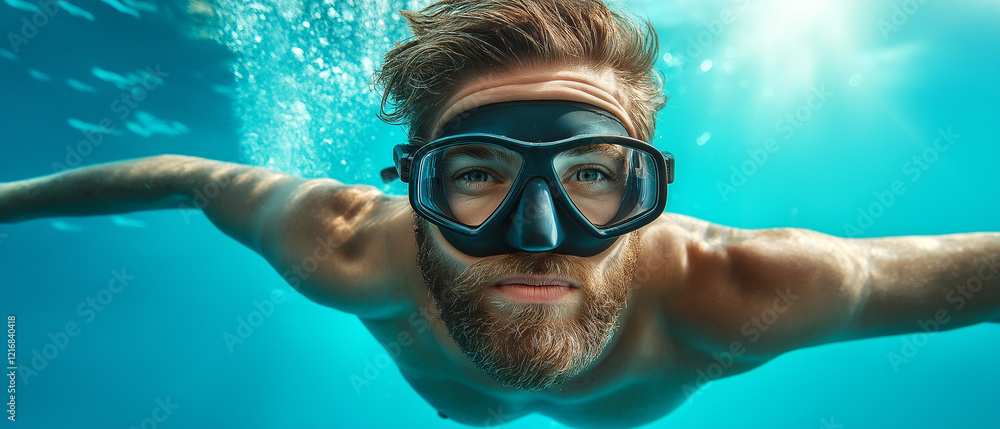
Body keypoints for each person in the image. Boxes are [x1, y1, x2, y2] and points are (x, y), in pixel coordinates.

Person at [1, 0, 998, 427]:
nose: (537, 232)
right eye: (474, 174)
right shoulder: (343, 244)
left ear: (650, 192)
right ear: (411, 185)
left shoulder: (752, 290)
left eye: (594, 178)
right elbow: (177, 171)